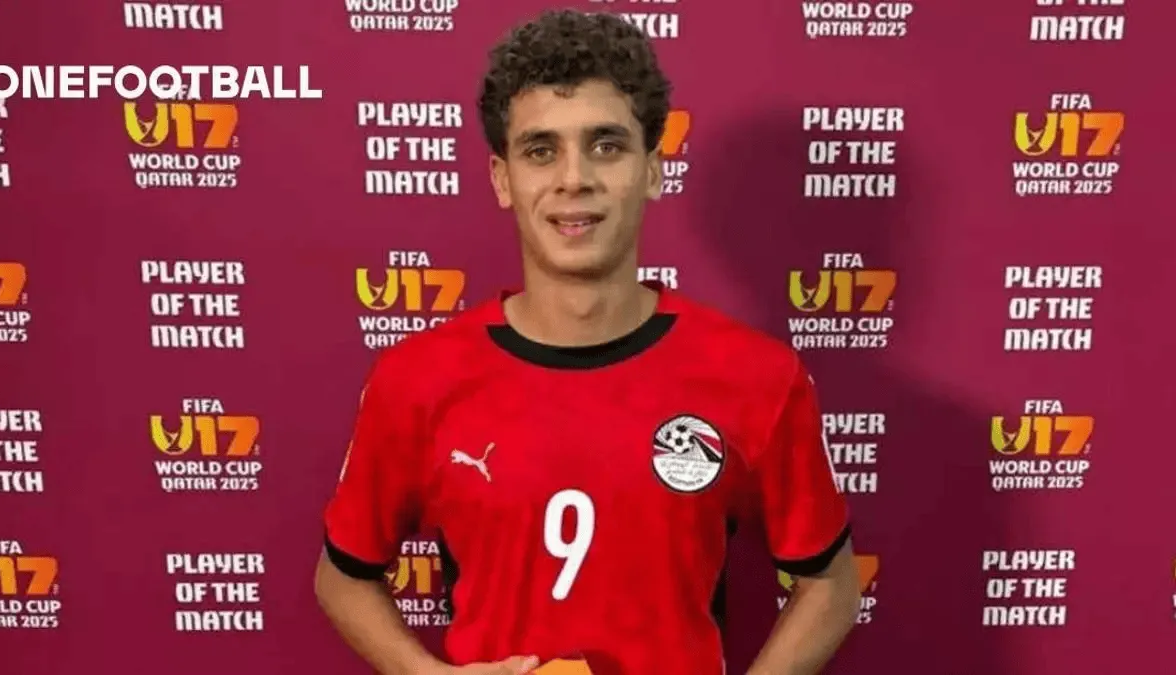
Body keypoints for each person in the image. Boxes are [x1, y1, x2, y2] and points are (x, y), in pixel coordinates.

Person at [315, 8, 861, 675]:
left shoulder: (756, 375)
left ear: (653, 170)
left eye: (606, 145)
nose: (574, 178)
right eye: (541, 150)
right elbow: (342, 575)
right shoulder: (417, 379)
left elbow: (831, 583)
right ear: (502, 179)